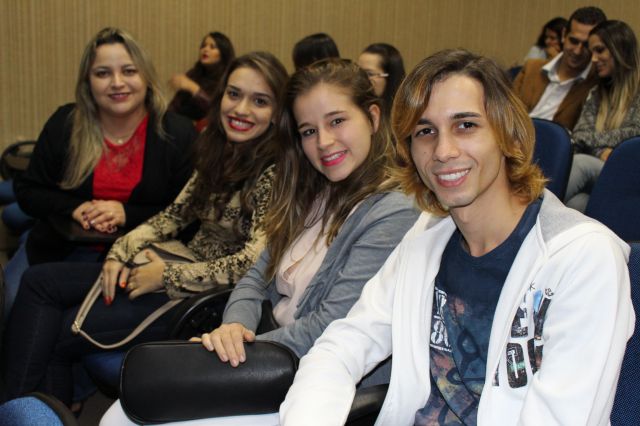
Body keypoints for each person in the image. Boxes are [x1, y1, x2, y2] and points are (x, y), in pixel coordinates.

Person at [280, 49, 634, 425]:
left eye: (465, 125)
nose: (443, 151)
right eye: (425, 132)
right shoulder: (427, 238)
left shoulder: (583, 258)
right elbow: (341, 346)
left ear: (507, 134)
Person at [100, 58, 420, 425]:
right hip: (264, 353)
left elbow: (331, 327)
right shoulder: (312, 191)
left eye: (337, 121)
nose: (323, 142)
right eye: (308, 131)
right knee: (124, 412)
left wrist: (236, 352)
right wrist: (234, 329)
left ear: (373, 118)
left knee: (129, 415)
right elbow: (254, 278)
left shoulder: (394, 212)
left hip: (312, 381)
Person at [2, 51, 288, 407]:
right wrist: (119, 252)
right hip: (173, 269)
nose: (241, 109)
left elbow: (252, 264)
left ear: (278, 112)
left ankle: (24, 409)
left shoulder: (277, 171)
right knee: (38, 281)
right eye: (234, 94)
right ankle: (21, 408)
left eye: (259, 101)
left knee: (59, 332)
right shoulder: (220, 150)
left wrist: (166, 276)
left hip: (208, 300)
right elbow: (173, 216)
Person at [3, 27, 196, 318]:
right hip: (57, 248)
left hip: (140, 258)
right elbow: (29, 192)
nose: (117, 83)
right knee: (11, 307)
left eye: (129, 71)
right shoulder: (65, 123)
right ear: (88, 82)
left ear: (146, 76)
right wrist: (74, 208)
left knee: (78, 326)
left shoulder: (178, 133)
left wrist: (126, 213)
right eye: (103, 73)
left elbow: (190, 215)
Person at [565, 20, 640, 212]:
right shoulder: (596, 93)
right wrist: (601, 152)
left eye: (600, 50)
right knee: (577, 204)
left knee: (581, 163)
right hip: (602, 171)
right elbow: (579, 136)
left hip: (631, 172)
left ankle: (527, 214)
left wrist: (608, 151)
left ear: (620, 49)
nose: (594, 59)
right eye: (592, 52)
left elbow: (634, 134)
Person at [513, 6, 606, 129]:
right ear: (563, 35)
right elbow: (506, 111)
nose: (577, 51)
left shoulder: (596, 86)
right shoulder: (531, 67)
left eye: (586, 45)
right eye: (573, 41)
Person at [168, 31, 235, 125]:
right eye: (203, 46)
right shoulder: (194, 73)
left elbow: (217, 111)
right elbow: (175, 106)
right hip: (183, 126)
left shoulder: (229, 78)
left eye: (212, 47)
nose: (205, 49)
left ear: (223, 53)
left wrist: (194, 89)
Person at [357, 43, 406, 118]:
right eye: (359, 71)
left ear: (390, 78)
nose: (360, 78)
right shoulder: (356, 108)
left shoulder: (405, 116)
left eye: (369, 74)